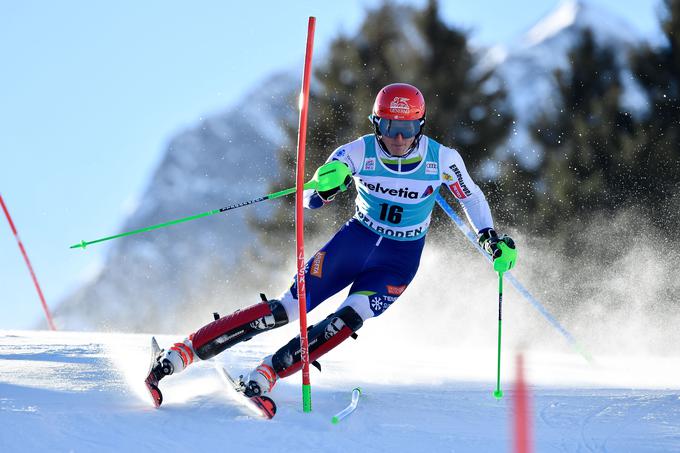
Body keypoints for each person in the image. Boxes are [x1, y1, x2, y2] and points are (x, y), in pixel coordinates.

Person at [146, 82, 515, 405]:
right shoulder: (357, 152)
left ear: (420, 126)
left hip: (398, 259)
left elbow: (471, 197)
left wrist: (489, 238)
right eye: (389, 126)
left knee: (349, 318)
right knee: (288, 309)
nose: (398, 138)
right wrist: (328, 184)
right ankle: (183, 352)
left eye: (407, 128)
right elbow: (310, 198)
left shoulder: (442, 160)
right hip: (354, 242)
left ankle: (268, 374)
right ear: (377, 124)